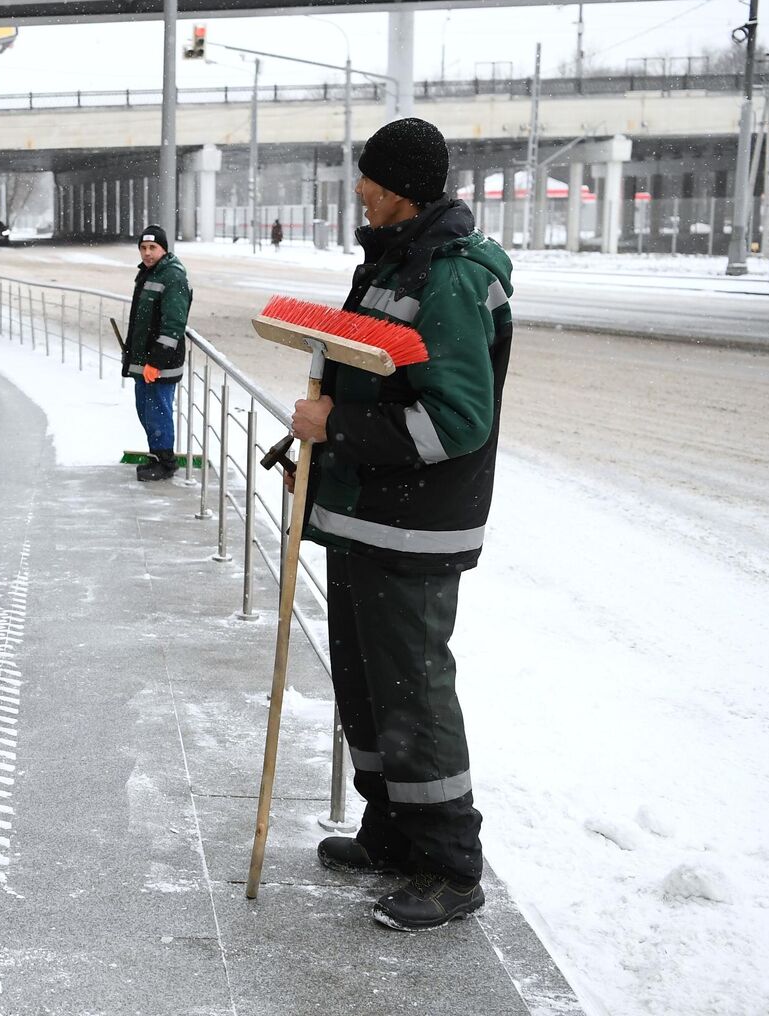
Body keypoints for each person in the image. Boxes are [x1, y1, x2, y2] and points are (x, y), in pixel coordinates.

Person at [290, 116, 513, 932]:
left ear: (402, 189)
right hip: (365, 515)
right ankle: (390, 826)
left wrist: (337, 432)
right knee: (367, 688)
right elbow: (373, 374)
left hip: (413, 527)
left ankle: (451, 864)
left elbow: (457, 419)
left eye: (370, 180)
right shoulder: (392, 260)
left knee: (413, 693)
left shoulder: (449, 277)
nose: (359, 190)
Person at [120, 224, 191, 481]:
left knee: (158, 411)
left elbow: (173, 324)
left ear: (164, 249)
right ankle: (155, 454)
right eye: (143, 247)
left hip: (160, 364)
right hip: (144, 361)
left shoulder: (172, 276)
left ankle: (166, 462)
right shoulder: (149, 273)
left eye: (153, 248)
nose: (147, 253)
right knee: (145, 409)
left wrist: (156, 362)